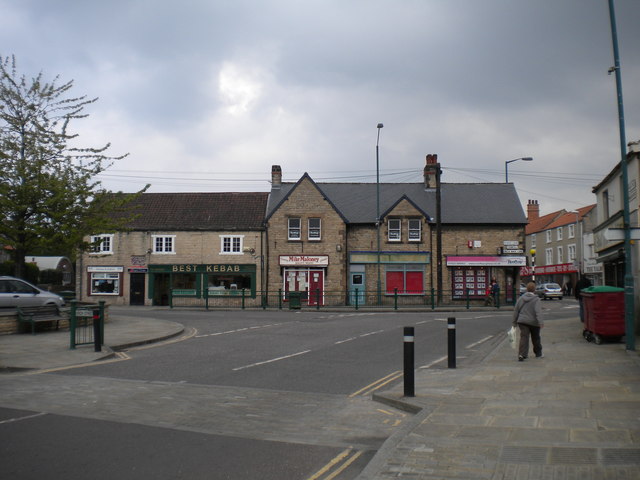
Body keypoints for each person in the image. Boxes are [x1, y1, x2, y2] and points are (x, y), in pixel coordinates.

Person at [513, 281, 543, 361]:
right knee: (536, 337)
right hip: (534, 322)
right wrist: (541, 322)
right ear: (534, 289)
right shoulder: (536, 299)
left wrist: (514, 322)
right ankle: (538, 353)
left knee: (524, 337)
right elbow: (538, 311)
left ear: (527, 289)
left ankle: (522, 354)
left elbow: (516, 310)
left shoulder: (521, 298)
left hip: (522, 321)